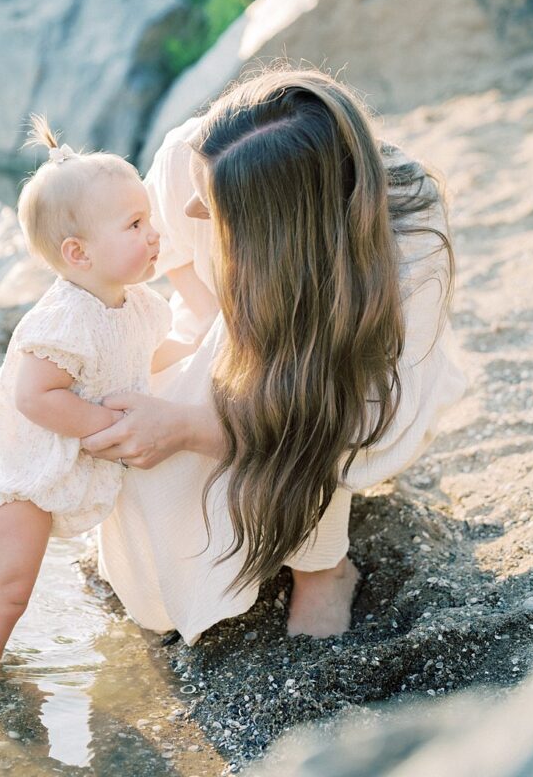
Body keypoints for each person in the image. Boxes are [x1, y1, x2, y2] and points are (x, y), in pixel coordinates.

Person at [80, 67, 467, 644]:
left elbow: (350, 429)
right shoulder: (197, 152)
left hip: (340, 379)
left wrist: (191, 427)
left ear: (283, 228)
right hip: (228, 321)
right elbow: (179, 257)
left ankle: (323, 570)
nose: (190, 210)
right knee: (152, 489)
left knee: (291, 411)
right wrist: (216, 327)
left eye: (214, 207)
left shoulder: (404, 250)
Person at [0, 118, 194, 673]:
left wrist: (199, 349)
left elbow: (143, 354)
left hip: (46, 472)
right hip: (17, 478)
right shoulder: (63, 320)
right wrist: (104, 426)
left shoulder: (134, 304)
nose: (154, 234)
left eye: (149, 219)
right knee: (10, 594)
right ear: (78, 253)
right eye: (135, 224)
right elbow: (36, 396)